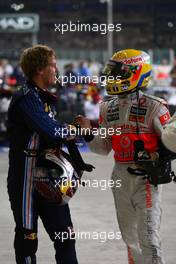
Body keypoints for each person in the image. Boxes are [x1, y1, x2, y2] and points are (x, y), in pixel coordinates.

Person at [75, 49, 170, 264]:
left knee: (148, 238)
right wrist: (88, 132)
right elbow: (103, 148)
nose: (113, 77)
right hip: (119, 175)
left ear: (138, 72)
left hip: (146, 178)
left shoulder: (156, 107)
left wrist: (158, 156)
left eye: (119, 73)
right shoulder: (107, 108)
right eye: (112, 72)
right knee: (130, 237)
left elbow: (171, 142)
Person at [7, 45, 78, 264]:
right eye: (53, 65)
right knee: (28, 239)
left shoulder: (44, 97)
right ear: (40, 69)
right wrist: (76, 130)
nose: (56, 70)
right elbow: (51, 131)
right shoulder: (26, 97)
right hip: (26, 177)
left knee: (65, 237)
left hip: (50, 177)